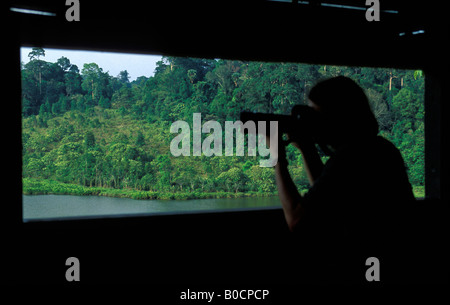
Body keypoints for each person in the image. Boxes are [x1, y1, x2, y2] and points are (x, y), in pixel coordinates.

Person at [271, 76, 415, 282]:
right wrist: (306, 147)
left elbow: (297, 220)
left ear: (338, 117)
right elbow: (327, 194)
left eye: (317, 116)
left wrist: (276, 156)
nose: (313, 124)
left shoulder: (351, 156)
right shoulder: (379, 148)